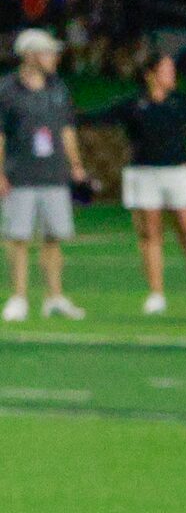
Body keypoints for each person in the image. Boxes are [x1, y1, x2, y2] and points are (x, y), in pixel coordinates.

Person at [79, 50, 186, 313]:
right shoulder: (135, 104)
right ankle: (156, 294)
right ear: (150, 75)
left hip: (177, 172)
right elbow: (100, 117)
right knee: (150, 234)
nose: (172, 75)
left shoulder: (181, 102)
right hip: (144, 174)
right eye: (166, 70)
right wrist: (68, 116)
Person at [0, 26, 89, 321]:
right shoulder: (7, 90)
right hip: (20, 175)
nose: (54, 57)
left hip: (53, 174)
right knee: (18, 237)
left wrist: (75, 165)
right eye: (48, 52)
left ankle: (55, 296)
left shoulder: (58, 88)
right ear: (30, 55)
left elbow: (66, 130)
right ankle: (19, 297)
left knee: (54, 236)